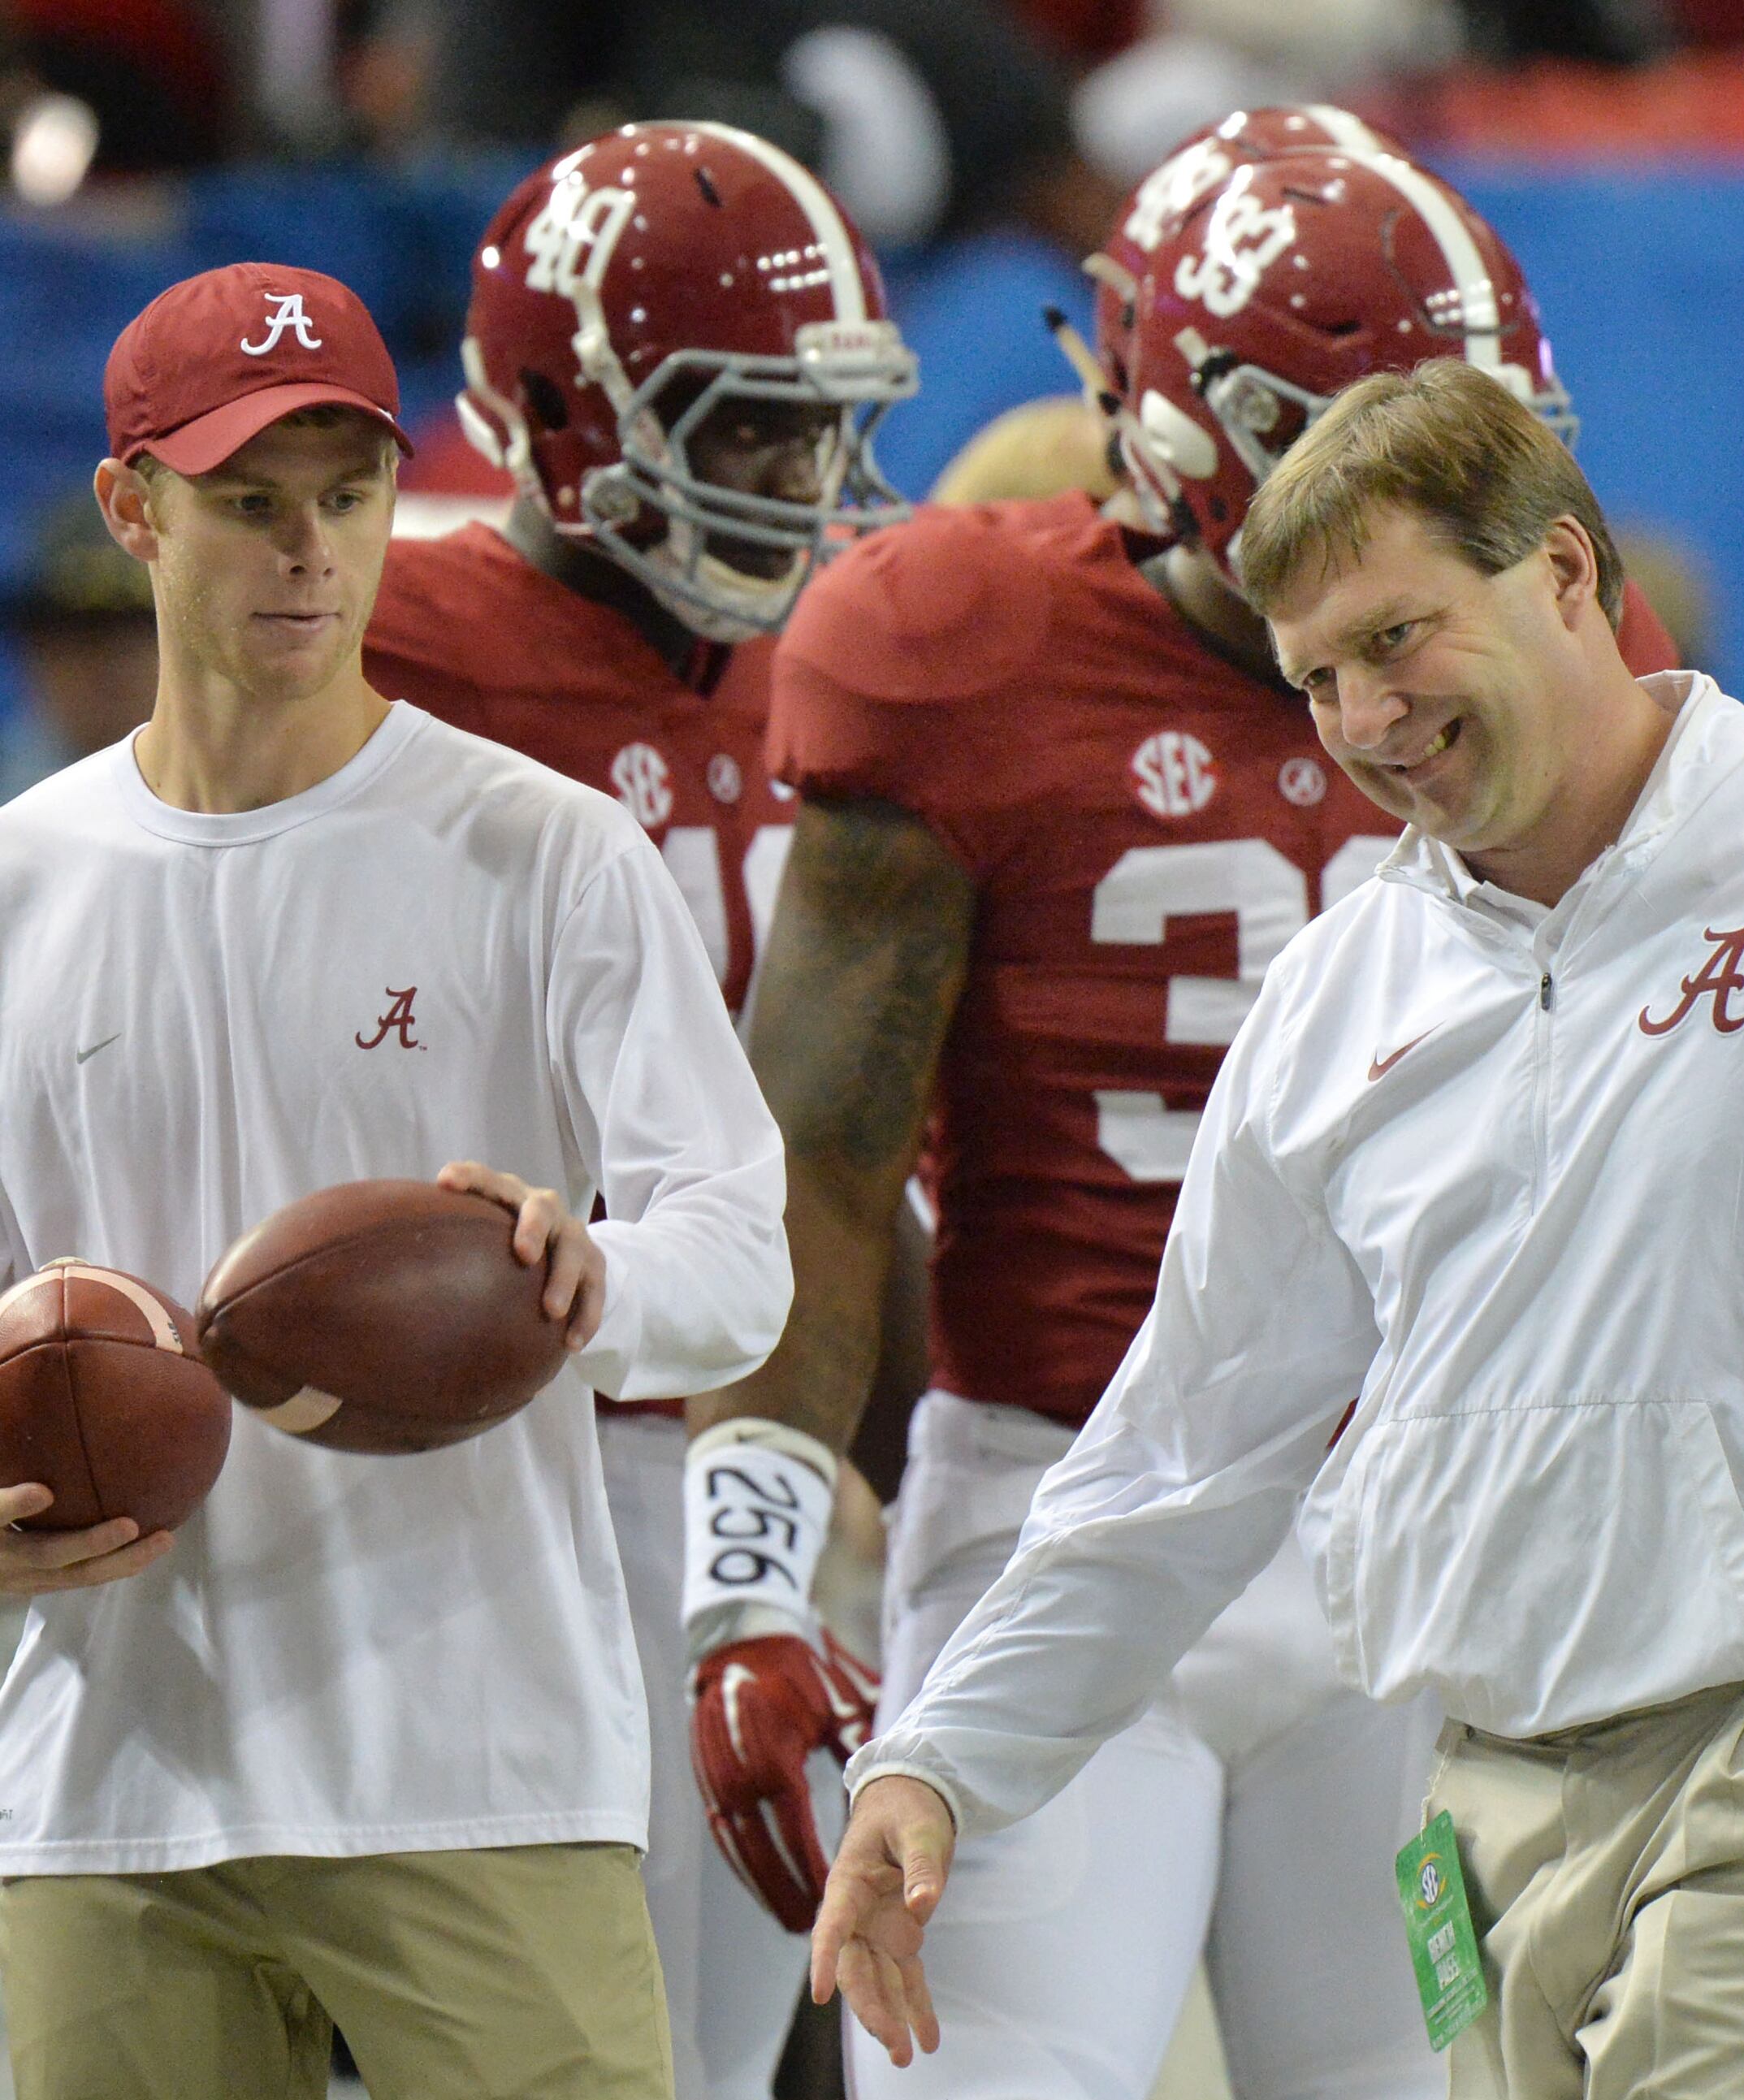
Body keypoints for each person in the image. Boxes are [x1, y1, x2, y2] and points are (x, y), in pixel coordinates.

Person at [812, 357, 1744, 2098]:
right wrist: (939, 1756)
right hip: (1476, 1789)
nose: (1364, 716)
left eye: (1398, 638)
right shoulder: (1338, 988)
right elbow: (1186, 1443)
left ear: (1562, 573)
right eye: (1316, 676)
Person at [690, 118, 1680, 2100]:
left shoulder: (1573, 663)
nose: (1446, 510)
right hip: (1068, 1520)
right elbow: (812, 1151)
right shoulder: (963, 647)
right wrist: (750, 1565)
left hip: (1423, 1545)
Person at [0, 262, 792, 2097]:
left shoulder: (547, 853)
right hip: (97, 1782)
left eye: (346, 497)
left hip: (476, 1759)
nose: (309, 552)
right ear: (133, 509)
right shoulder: (21, 882)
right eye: (248, 503)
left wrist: (589, 1279)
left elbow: (739, 1251)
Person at [360, 119, 922, 2100]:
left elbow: (852, 1132)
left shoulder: (846, 657)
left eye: (809, 427)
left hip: (727, 1443)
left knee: (711, 2042)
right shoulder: (385, 642)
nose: (794, 481)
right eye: (741, 429)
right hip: (458, 1437)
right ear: (562, 412)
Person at [0, 490, 158, 801]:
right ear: (36, 650)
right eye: (83, 638)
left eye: (135, 633)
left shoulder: (246, 795)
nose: (110, 667)